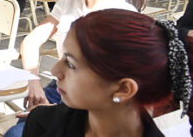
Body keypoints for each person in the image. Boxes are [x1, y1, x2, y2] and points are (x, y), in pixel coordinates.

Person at [3, 0, 145, 137]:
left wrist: (57, 113)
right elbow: (31, 41)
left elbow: (112, 90)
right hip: (60, 88)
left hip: (96, 100)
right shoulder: (71, 0)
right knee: (17, 133)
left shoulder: (123, 16)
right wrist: (34, 82)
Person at [22, 9, 186, 137]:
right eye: (63, 57)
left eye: (71, 64)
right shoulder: (41, 123)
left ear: (123, 89)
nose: (54, 71)